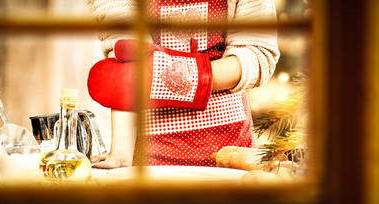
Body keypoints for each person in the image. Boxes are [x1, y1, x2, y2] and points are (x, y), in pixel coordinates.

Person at [87, 0, 280, 168]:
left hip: (230, 145)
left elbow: (257, 54)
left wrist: (182, 77)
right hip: (153, 147)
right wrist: (121, 155)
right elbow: (128, 62)